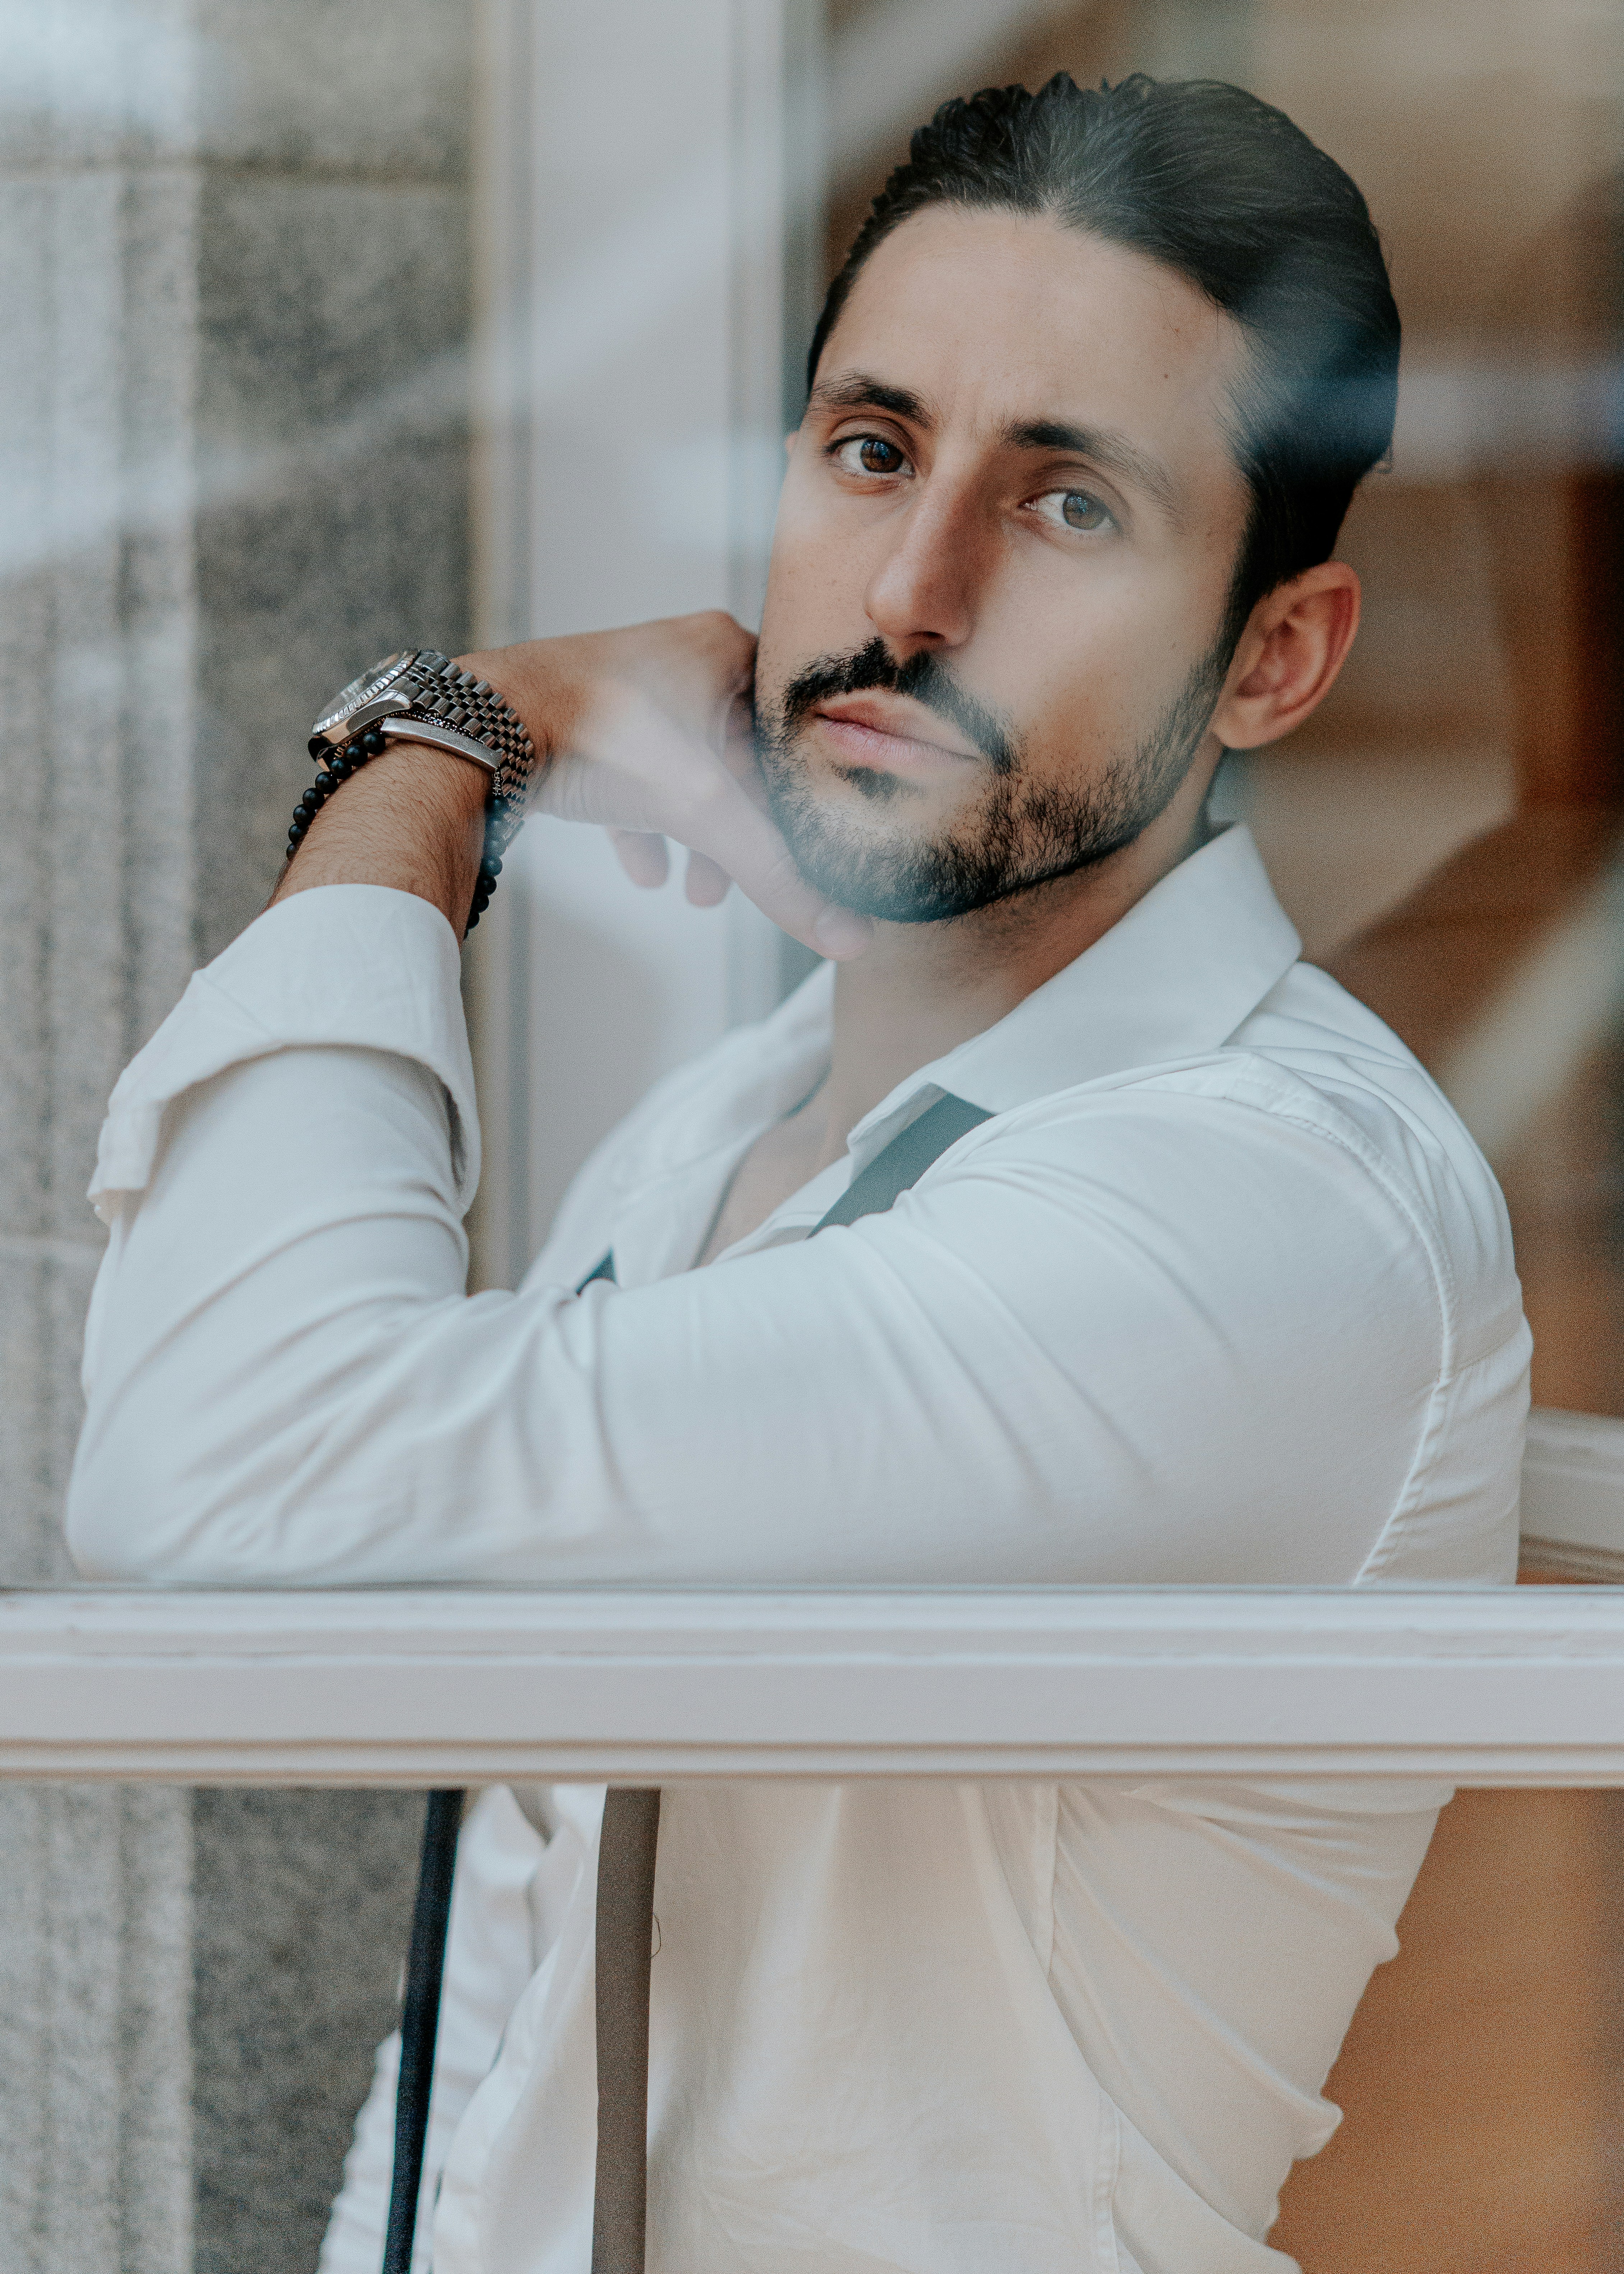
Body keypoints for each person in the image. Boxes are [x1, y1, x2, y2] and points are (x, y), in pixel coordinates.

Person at [68, 72, 1528, 2274]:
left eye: (1065, 509)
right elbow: (510, 1981)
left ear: (1273, 658)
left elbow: (235, 1485)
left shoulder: (1255, 1214)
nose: (911, 589)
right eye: (873, 452)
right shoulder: (727, 1125)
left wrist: (427, 759)